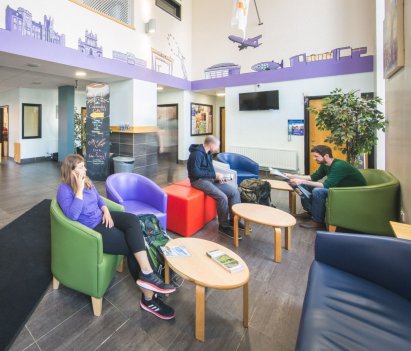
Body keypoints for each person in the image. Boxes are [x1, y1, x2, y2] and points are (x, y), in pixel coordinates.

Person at [56, 154, 176, 320]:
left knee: (132, 220)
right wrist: (79, 189)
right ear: (71, 171)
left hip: (102, 217)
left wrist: (106, 211)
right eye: (81, 167)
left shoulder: (87, 180)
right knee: (131, 246)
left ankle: (148, 273)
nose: (85, 169)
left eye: (84, 166)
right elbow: (73, 216)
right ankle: (149, 299)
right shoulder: (64, 189)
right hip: (93, 228)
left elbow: (99, 199)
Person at [285, 145, 366, 229]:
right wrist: (293, 176)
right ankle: (311, 212)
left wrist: (301, 180)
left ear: (326, 156)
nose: (314, 158)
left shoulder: (338, 165)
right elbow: (313, 177)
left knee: (318, 191)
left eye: (316, 156)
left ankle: (318, 221)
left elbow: (326, 185)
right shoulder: (325, 164)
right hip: (339, 189)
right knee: (300, 185)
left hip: (353, 192)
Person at [187, 136, 244, 239]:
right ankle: (223, 226)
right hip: (198, 181)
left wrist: (218, 178)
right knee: (222, 197)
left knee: (234, 192)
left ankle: (234, 220)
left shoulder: (208, 154)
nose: (218, 148)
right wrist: (215, 175)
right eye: (217, 145)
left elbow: (209, 171)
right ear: (211, 145)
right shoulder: (196, 154)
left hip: (210, 179)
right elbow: (195, 172)